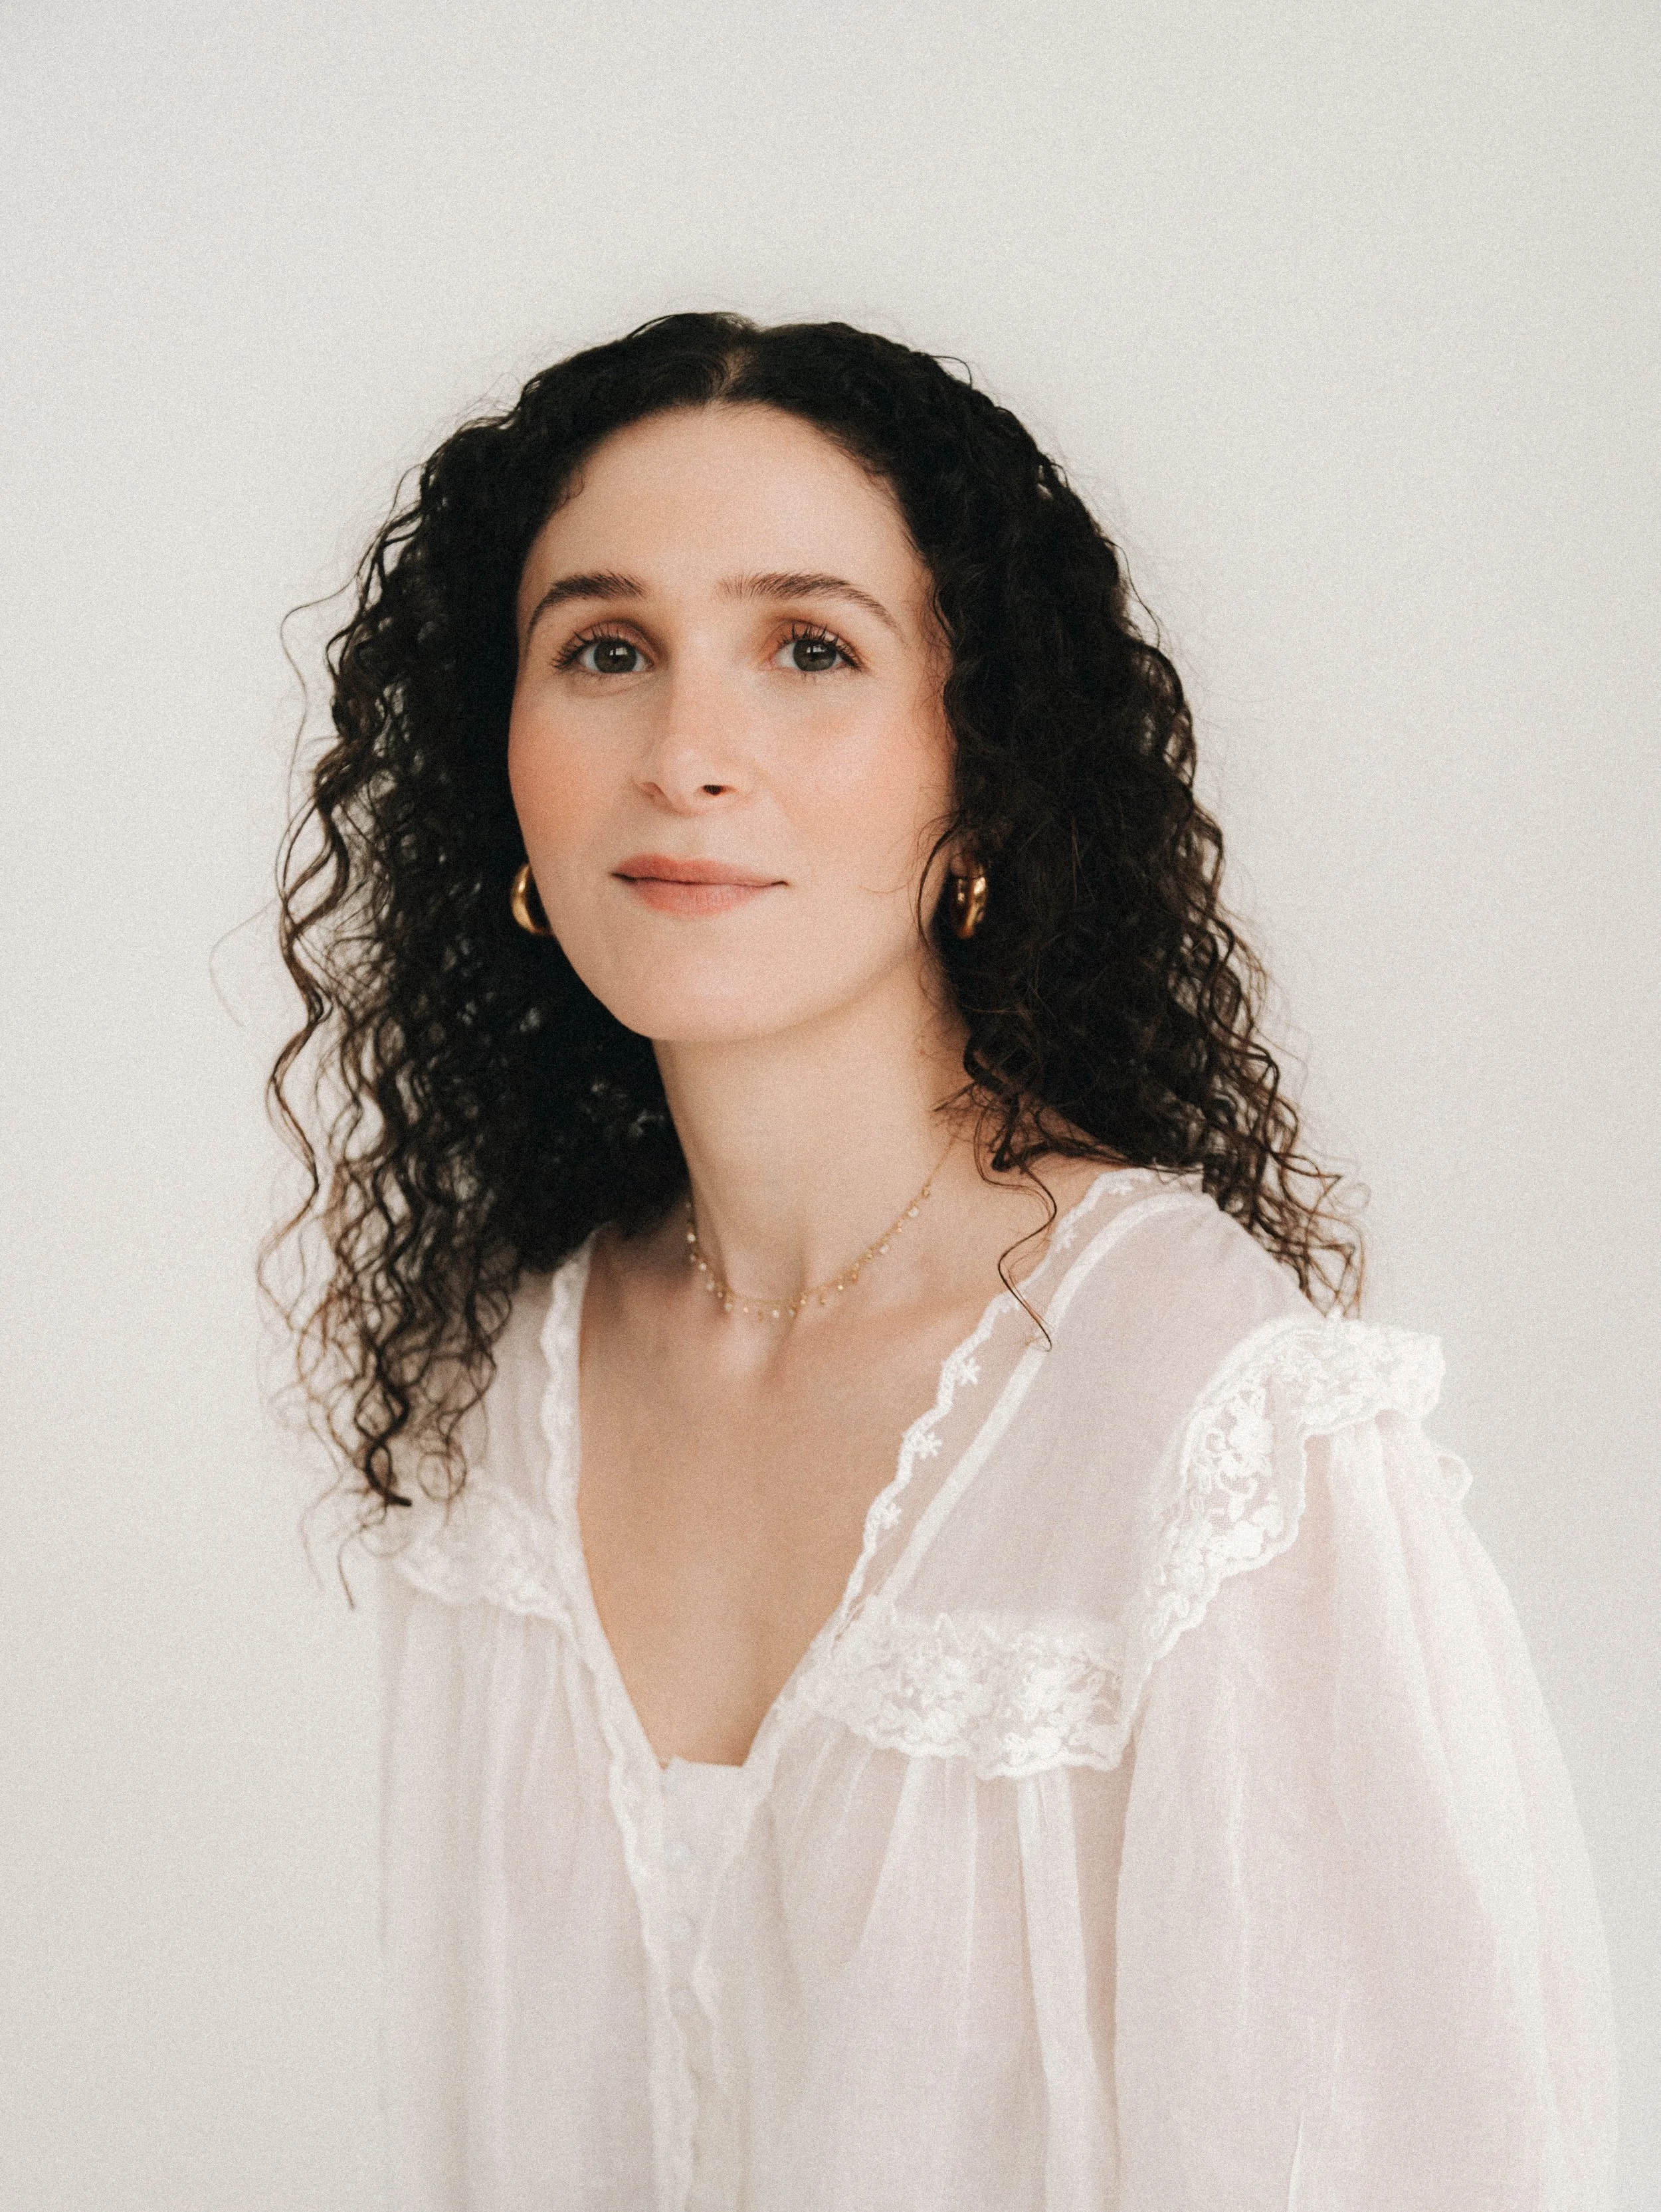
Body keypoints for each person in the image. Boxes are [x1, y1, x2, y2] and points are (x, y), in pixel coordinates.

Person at [268, 313, 1616, 2209]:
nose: (685, 754)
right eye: (604, 650)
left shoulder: (1212, 1428)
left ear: (974, 772)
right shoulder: (514, 1391)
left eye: (808, 648)